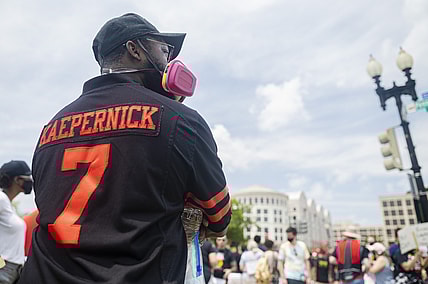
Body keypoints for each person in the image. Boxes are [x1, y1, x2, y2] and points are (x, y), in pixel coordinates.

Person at [18, 13, 231, 284]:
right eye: (164, 50)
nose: (169, 62)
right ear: (135, 50)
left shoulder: (51, 127)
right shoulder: (179, 121)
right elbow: (219, 216)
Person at [0, 161, 33, 284]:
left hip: (15, 270)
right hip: (4, 269)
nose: (30, 180)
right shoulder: (1, 199)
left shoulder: (9, 206)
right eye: (27, 177)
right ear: (17, 180)